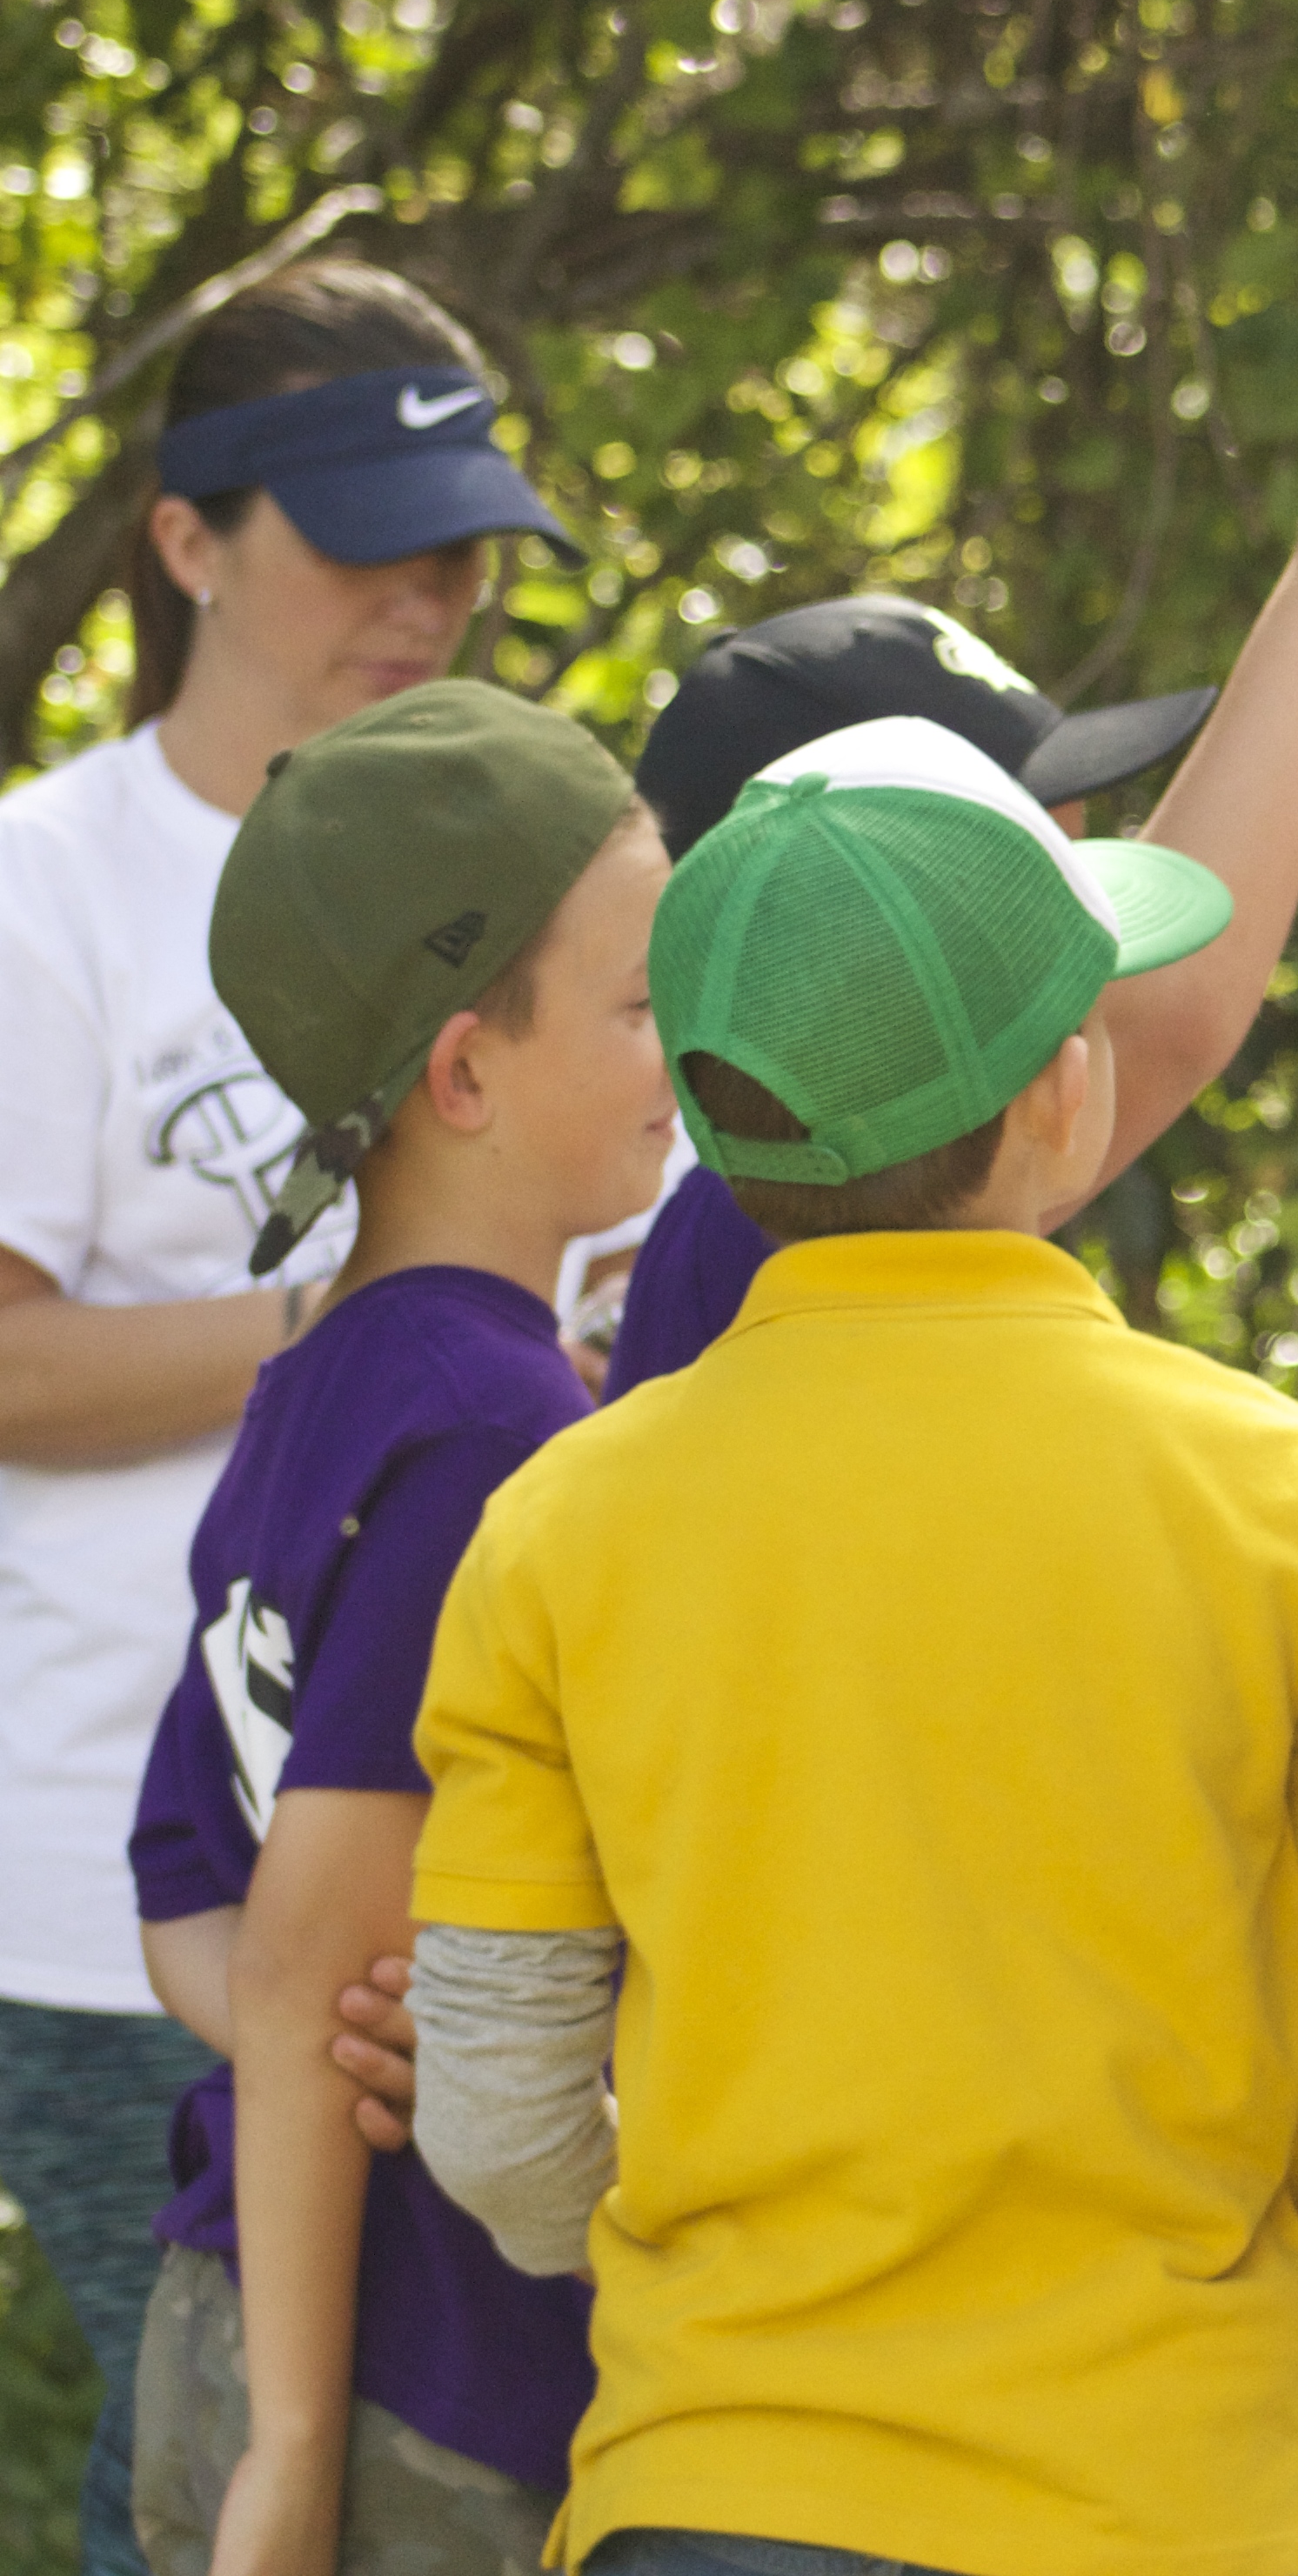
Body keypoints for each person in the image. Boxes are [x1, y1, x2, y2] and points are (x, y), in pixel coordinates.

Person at [394, 715, 1298, 2576]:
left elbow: (497, 2118)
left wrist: (707, 2286)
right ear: (1069, 1091)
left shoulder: (566, 1527)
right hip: (1174, 2498)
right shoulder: (1296, 1507)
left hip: (718, 2491)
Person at [0, 261, 585, 2576]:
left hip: (464, 1888)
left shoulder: (524, 839)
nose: (423, 597)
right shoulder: (48, 886)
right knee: (212, 2477)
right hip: (128, 1884)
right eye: (363, 538)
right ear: (185, 543)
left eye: (458, 546)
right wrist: (385, 1322)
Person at [116, 682, 665, 2573]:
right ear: (463, 1075)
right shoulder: (500, 1432)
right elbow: (285, 1950)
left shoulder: (319, 1384)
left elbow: (190, 1896)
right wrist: (290, 2455)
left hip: (240, 2303)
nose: (684, 1051)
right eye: (639, 1004)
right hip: (395, 2387)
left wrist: (325, 2030)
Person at [594, 250, 1298, 1393]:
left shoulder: (738, 1182)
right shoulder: (779, 1205)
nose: (1088, 997)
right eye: (1013, 869)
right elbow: (1171, 1016)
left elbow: (1169, 1002)